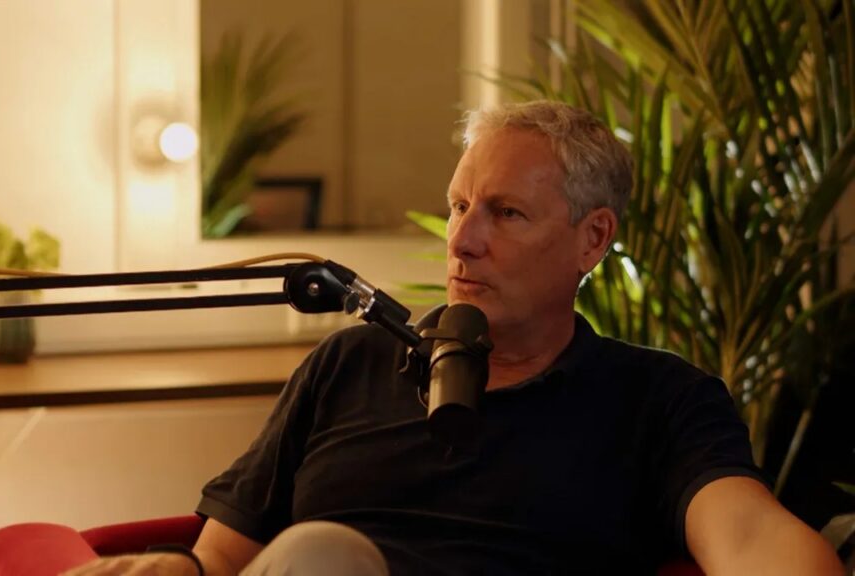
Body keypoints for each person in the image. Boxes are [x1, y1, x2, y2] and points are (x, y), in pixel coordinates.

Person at [69, 101, 843, 575]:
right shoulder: (351, 362)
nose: (463, 241)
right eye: (458, 206)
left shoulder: (658, 399)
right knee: (323, 556)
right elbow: (221, 557)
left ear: (592, 239)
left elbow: (751, 540)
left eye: (506, 214)